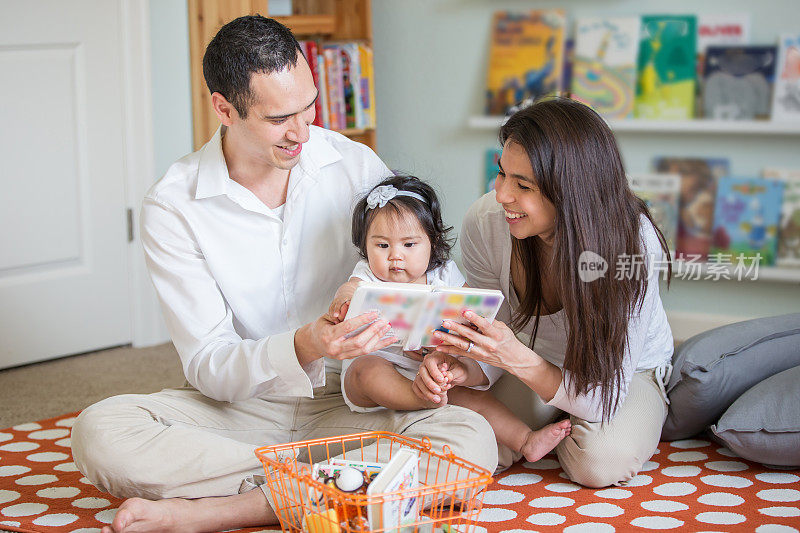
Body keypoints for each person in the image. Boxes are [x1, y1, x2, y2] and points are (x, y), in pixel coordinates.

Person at [69, 15, 497, 533]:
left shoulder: (352, 163)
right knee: (102, 432)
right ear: (224, 109)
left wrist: (438, 341)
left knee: (471, 438)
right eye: (278, 120)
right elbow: (208, 363)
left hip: (353, 397)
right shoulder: (174, 205)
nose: (303, 132)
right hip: (244, 407)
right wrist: (308, 343)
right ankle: (339, 479)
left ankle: (234, 505)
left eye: (309, 105)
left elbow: (425, 262)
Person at [414, 97, 675, 488]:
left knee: (599, 461)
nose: (502, 194)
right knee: (464, 442)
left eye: (523, 185)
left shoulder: (632, 244)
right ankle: (551, 420)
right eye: (501, 174)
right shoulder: (486, 222)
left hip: (620, 375)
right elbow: (490, 334)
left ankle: (567, 422)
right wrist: (461, 366)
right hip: (529, 357)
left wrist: (519, 362)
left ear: (572, 191)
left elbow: (602, 397)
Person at [328, 175, 572, 462]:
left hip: (426, 365)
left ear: (432, 242)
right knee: (366, 370)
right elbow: (351, 288)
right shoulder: (367, 274)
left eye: (409, 245)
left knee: (469, 395)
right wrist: (343, 300)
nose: (395, 256)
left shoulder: (443, 273)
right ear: (365, 246)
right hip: (381, 366)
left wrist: (467, 324)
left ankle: (525, 440)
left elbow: (467, 305)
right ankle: (416, 396)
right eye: (382, 246)